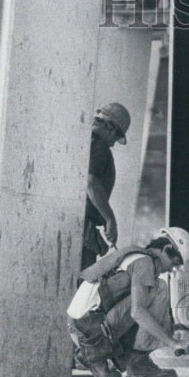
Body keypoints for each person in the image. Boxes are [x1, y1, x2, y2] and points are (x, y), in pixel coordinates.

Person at [68, 226, 189, 377]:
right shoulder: (144, 263)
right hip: (90, 330)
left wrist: (172, 329)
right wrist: (173, 343)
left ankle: (96, 357)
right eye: (174, 262)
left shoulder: (137, 256)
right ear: (166, 248)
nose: (171, 269)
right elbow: (137, 312)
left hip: (83, 328)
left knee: (150, 293)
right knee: (160, 288)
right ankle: (137, 363)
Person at [81, 102, 131, 270]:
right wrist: (110, 219)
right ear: (111, 128)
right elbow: (92, 183)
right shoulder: (100, 146)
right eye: (116, 138)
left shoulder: (83, 141)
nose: (113, 144)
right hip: (82, 229)